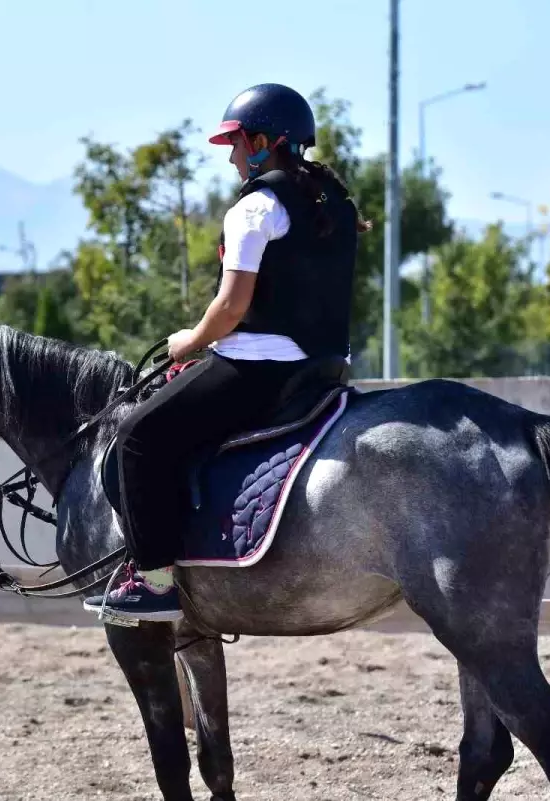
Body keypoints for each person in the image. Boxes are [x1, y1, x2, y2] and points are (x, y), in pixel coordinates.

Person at [84, 83, 369, 623]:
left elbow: (231, 305)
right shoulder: (334, 201)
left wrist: (186, 342)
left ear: (263, 142)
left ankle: (156, 581)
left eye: (236, 144)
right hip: (325, 370)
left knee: (138, 438)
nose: (233, 157)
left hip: (259, 370)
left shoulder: (256, 207)